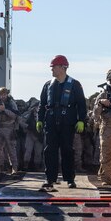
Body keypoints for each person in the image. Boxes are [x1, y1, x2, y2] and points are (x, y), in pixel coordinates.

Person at [37, 55, 87, 190]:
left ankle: (70, 179)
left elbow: (82, 104)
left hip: (68, 121)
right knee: (50, 151)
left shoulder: (75, 84)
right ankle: (50, 179)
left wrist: (81, 120)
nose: (52, 70)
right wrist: (39, 120)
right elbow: (42, 104)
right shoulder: (48, 85)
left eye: (54, 67)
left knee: (67, 150)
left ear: (62, 67)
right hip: (51, 121)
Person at [0, 87, 19, 176]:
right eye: (1, 94)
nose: (2, 96)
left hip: (9, 128)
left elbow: (15, 115)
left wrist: (4, 110)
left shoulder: (11, 103)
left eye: (4, 94)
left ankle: (14, 168)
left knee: (11, 149)